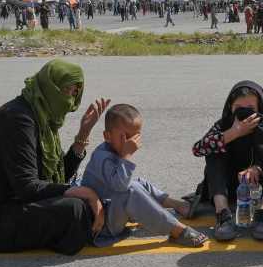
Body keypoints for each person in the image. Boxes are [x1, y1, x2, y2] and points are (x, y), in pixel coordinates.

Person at [0, 60, 110, 255]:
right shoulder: (19, 120)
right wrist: (85, 193)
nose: (70, 101)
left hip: (8, 202)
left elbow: (56, 177)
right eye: (66, 91)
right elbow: (28, 187)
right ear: (50, 87)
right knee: (76, 210)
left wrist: (83, 134)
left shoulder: (40, 116)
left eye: (74, 93)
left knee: (85, 196)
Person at [79, 104, 206, 247]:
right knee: (130, 190)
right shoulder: (102, 158)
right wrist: (126, 156)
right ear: (107, 136)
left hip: (111, 209)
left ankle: (177, 205)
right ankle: (177, 231)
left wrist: (124, 155)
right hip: (102, 225)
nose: (131, 142)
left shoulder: (114, 150)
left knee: (139, 182)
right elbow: (121, 187)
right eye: (125, 136)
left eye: (135, 136)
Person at [191, 81, 263, 241]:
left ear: (260, 108)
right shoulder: (223, 124)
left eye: (250, 107)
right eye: (238, 107)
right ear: (230, 107)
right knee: (214, 150)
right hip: (229, 184)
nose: (244, 112)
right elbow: (198, 149)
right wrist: (234, 132)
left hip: (260, 184)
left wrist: (259, 167)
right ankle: (223, 215)